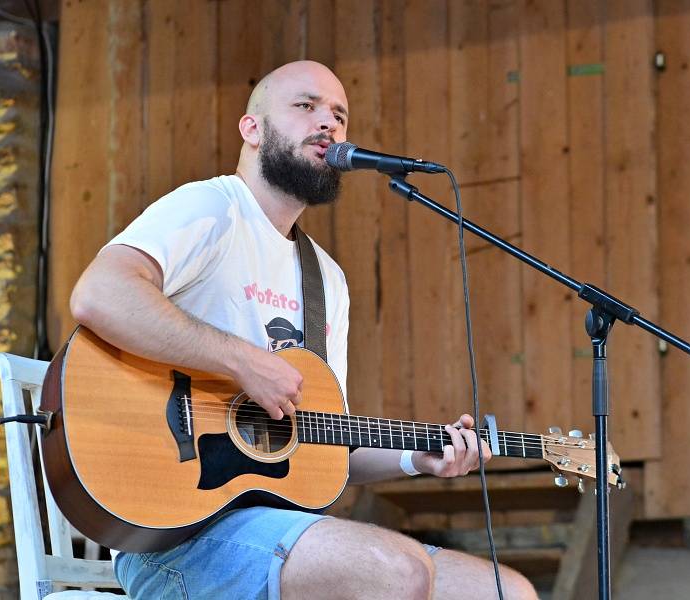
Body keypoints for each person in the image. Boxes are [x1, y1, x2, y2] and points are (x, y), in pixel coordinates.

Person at [70, 60, 537, 600]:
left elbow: (319, 436)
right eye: (306, 106)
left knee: (503, 591)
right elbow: (98, 294)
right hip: (177, 541)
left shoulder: (327, 279)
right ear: (252, 129)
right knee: (395, 571)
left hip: (276, 531)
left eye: (339, 114)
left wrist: (418, 457)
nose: (328, 124)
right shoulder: (212, 209)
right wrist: (243, 362)